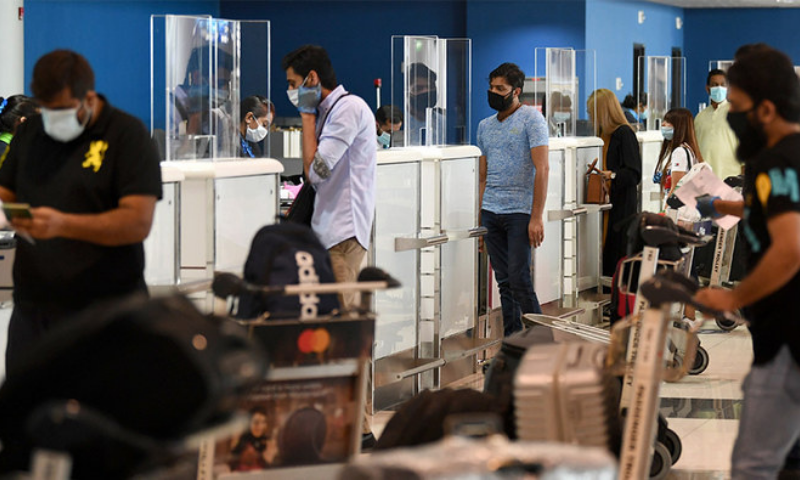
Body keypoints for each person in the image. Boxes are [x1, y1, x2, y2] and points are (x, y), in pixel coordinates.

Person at [0, 50, 163, 375]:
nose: (51, 117)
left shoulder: (126, 135)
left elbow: (137, 222)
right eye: (46, 108)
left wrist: (64, 224)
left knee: (101, 412)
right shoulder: (31, 132)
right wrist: (12, 215)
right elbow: (7, 193)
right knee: (25, 412)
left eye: (60, 109)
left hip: (106, 307)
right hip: (34, 306)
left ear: (87, 96)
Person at [694, 44, 800, 480]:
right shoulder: (785, 156)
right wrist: (724, 205)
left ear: (767, 109)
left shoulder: (775, 161)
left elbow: (790, 247)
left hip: (788, 332)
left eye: (736, 106)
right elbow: (773, 208)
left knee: (753, 465)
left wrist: (731, 296)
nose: (730, 115)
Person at [282, 44, 376, 447]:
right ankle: (347, 424)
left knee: (344, 336)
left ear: (312, 79)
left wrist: (305, 117)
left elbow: (316, 172)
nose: (290, 91)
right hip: (326, 236)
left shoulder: (349, 110)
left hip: (342, 238)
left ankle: (361, 429)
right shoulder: (330, 113)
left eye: (293, 84)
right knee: (330, 336)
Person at [477, 62, 549, 336]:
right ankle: (513, 342)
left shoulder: (532, 119)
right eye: (492, 87)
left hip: (520, 212)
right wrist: (480, 219)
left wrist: (536, 216)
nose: (494, 92)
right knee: (504, 282)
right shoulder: (484, 126)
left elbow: (542, 168)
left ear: (516, 91)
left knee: (519, 279)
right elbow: (483, 176)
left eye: (500, 88)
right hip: (491, 212)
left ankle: (542, 341)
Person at [587, 88, 642, 277]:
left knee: (617, 255)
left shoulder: (624, 134)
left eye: (591, 112)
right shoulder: (603, 135)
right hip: (606, 205)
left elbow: (634, 174)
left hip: (621, 207)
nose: (590, 116)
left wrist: (612, 176)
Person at [694, 68, 740, 182]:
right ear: (707, 89)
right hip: (704, 180)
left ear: (728, 88)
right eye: (714, 85)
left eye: (722, 85)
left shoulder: (736, 113)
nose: (719, 88)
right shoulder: (700, 117)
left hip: (731, 180)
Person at [654, 108, 704, 201]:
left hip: (679, 210)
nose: (663, 124)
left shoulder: (680, 152)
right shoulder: (689, 149)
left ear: (679, 126)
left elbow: (675, 188)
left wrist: (666, 209)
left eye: (668, 122)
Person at [405, 62, 445, 146]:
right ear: (407, 92)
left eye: (430, 87)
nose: (426, 91)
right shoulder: (400, 123)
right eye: (418, 88)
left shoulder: (443, 123)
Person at [229, 407, 275, 471]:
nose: (260, 426)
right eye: (256, 422)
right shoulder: (243, 442)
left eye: (263, 422)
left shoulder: (267, 442)